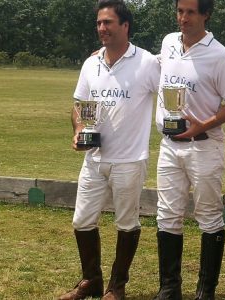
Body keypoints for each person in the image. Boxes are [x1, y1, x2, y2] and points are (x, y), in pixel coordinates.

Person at [59, 0, 160, 299]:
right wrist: (79, 130)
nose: (102, 28)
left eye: (108, 23)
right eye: (99, 23)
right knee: (82, 220)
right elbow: (79, 106)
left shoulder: (147, 62)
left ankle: (117, 286)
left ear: (125, 25)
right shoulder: (91, 63)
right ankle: (91, 281)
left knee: (126, 222)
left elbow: (174, 85)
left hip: (129, 159)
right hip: (94, 158)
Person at [153, 0, 225, 299]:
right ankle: (169, 288)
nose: (183, 18)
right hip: (169, 145)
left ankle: (206, 292)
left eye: (191, 12)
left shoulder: (220, 55)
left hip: (203, 147)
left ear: (205, 14)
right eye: (180, 11)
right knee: (167, 215)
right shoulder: (168, 43)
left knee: (209, 217)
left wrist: (201, 126)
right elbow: (150, 63)